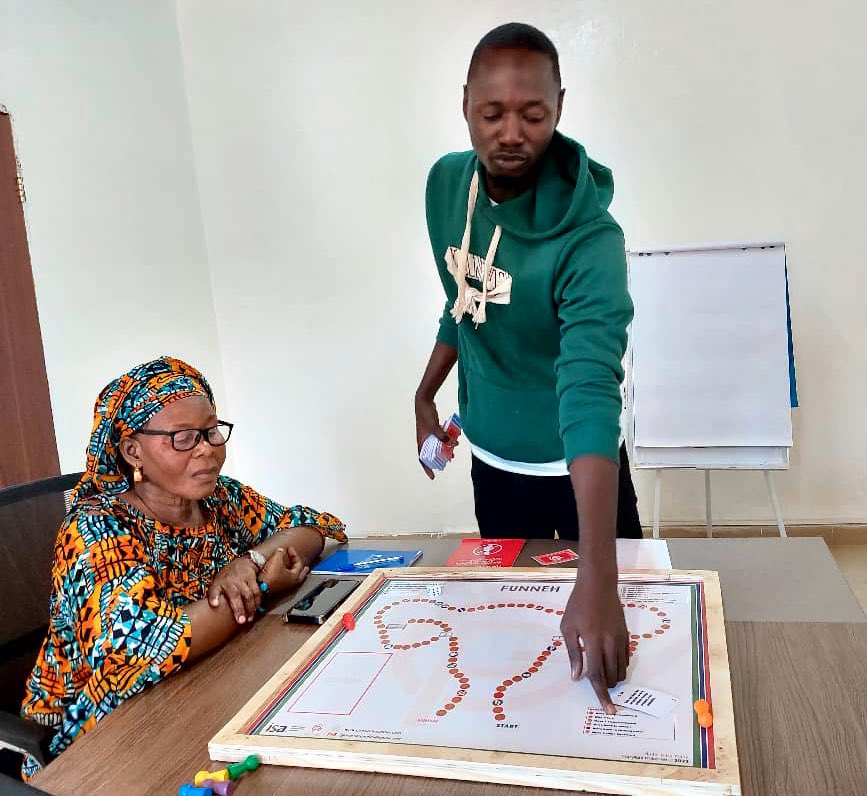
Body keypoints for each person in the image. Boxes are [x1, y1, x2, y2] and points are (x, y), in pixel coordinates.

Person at [414, 23, 635, 712]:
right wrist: (426, 393)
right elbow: (465, 298)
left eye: (532, 114)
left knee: (614, 663)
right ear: (464, 106)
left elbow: (589, 387)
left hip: (577, 471)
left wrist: (598, 578)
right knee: (518, 655)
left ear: (559, 107)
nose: (511, 132)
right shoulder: (447, 186)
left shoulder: (589, 240)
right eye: (492, 113)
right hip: (492, 460)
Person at [20, 356, 345, 777]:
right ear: (132, 450)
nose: (206, 448)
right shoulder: (96, 528)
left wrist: (250, 560)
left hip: (210, 683)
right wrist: (263, 584)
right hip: (104, 739)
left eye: (211, 431)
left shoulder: (218, 499)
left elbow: (317, 527)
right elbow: (148, 647)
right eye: (182, 437)